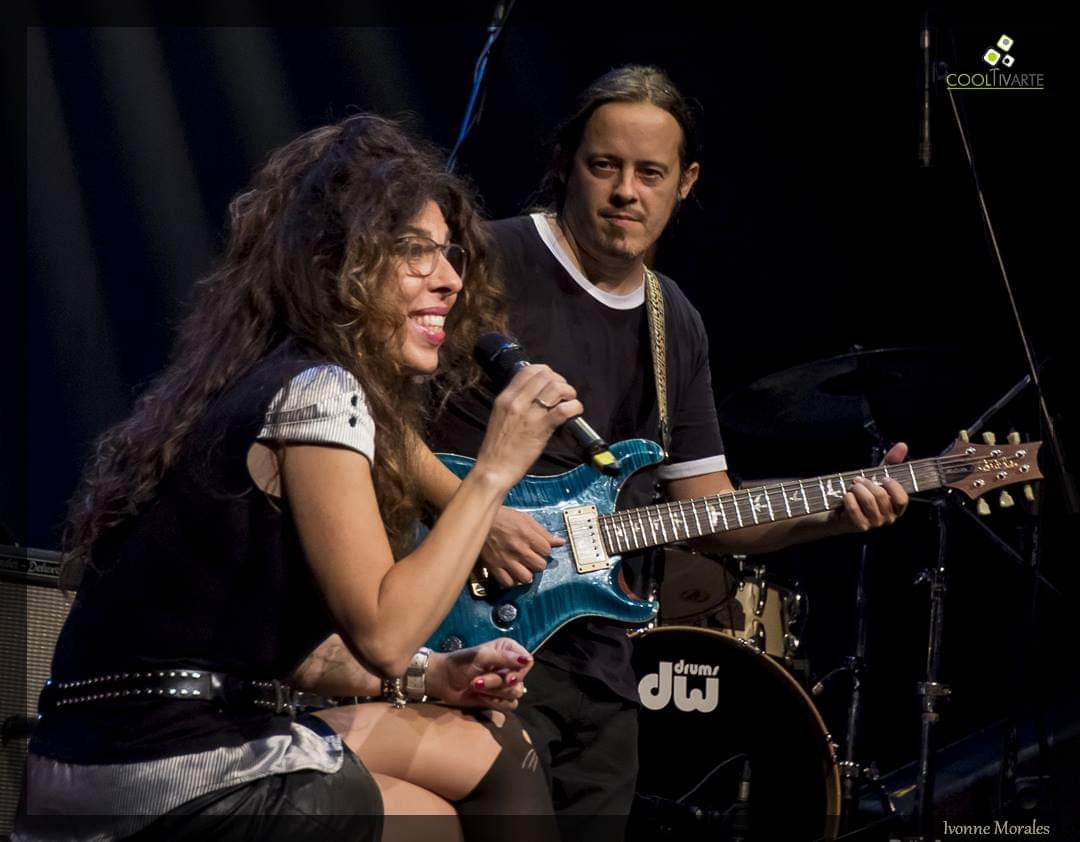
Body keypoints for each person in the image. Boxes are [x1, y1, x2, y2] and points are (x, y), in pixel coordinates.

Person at [15, 114, 578, 842]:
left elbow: (266, 644)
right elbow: (382, 631)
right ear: (335, 263)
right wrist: (496, 469)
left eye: (448, 254)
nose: (449, 279)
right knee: (442, 823)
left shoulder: (236, 382)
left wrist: (431, 676)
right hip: (172, 766)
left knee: (489, 744)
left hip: (90, 759)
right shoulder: (318, 392)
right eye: (414, 253)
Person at [423, 65, 910, 839]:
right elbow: (360, 406)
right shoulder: (483, 261)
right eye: (603, 166)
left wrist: (837, 513)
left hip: (602, 662)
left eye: (650, 173)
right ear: (563, 164)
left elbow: (709, 514)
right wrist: (472, 511)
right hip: (465, 638)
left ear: (685, 184)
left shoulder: (671, 318)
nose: (626, 192)